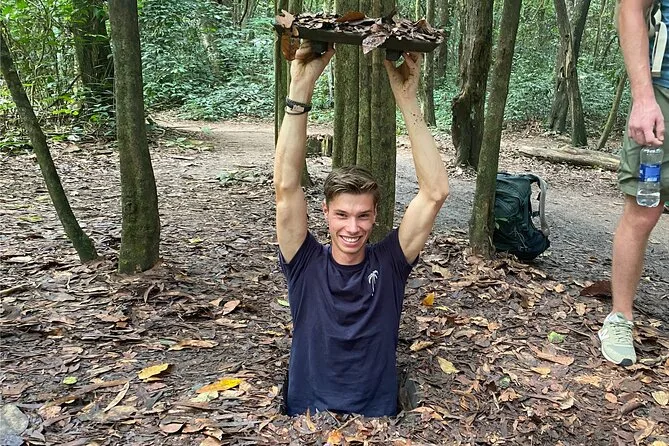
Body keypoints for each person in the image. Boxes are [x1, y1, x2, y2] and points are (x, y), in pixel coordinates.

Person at [273, 41, 450, 416]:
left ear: (375, 215)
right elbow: (286, 187)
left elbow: (435, 192)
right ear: (325, 212)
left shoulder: (390, 263)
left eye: (363, 216)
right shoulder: (304, 262)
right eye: (342, 215)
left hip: (377, 419)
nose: (352, 228)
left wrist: (407, 100)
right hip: (306, 419)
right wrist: (301, 86)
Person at [599, 0, 669, 366]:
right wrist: (644, 98)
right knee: (644, 210)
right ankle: (620, 319)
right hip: (664, 94)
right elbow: (631, 8)